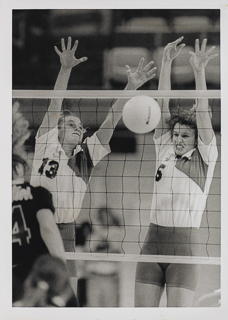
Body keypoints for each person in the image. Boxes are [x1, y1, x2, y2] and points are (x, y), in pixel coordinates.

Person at [30, 36, 156, 294]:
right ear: (57, 130)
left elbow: (111, 119)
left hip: (65, 231)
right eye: (72, 125)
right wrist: (65, 69)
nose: (79, 129)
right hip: (34, 227)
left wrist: (130, 88)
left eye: (81, 127)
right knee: (29, 294)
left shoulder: (84, 158)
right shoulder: (46, 144)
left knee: (68, 298)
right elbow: (55, 105)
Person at [134, 37, 218, 307]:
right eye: (176, 134)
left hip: (184, 250)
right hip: (152, 244)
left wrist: (199, 71)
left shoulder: (205, 157)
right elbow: (162, 104)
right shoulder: (165, 150)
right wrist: (166, 62)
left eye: (185, 135)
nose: (179, 139)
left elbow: (203, 112)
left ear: (197, 139)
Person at [12, 103, 78, 305]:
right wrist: (62, 271)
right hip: (38, 272)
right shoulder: (37, 194)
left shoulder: (80, 157)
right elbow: (48, 228)